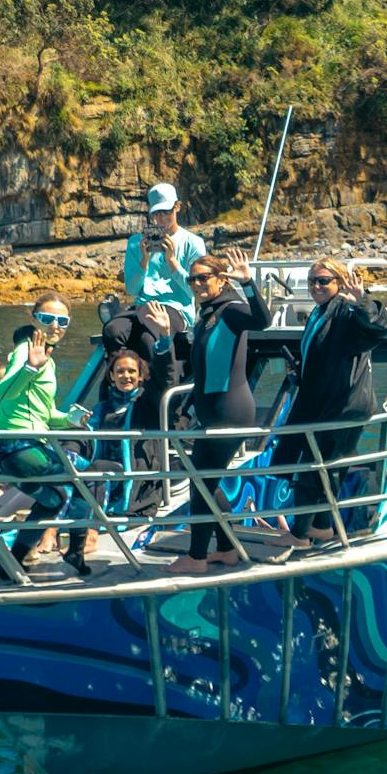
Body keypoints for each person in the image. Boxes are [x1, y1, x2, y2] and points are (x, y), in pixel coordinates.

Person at [269, 259, 387, 550]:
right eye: (312, 281)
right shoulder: (321, 311)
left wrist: (363, 303)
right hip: (322, 401)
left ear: (339, 281)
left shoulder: (347, 310)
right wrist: (300, 369)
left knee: (315, 468)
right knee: (323, 466)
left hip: (342, 406)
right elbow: (324, 354)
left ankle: (299, 535)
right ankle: (322, 527)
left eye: (324, 281)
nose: (316, 286)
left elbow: (376, 331)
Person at [166, 246, 271, 575]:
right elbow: (201, 369)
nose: (197, 283)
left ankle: (197, 557)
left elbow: (263, 321)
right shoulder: (206, 313)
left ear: (221, 280)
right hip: (210, 411)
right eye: (192, 278)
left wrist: (248, 283)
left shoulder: (231, 309)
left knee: (201, 480)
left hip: (230, 411)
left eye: (203, 278)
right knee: (204, 481)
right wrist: (186, 410)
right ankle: (225, 548)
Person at [0, 295, 98, 575]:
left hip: (15, 449)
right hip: (18, 446)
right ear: (33, 319)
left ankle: (13, 561)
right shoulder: (27, 349)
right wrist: (29, 367)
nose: (55, 326)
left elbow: (45, 414)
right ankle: (75, 550)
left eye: (63, 321)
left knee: (54, 499)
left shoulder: (45, 357)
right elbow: (5, 391)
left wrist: (72, 419)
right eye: (47, 319)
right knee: (90, 476)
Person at [85, 303, 183, 515]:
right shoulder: (102, 409)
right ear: (111, 376)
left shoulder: (146, 403)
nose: (125, 376)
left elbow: (167, 379)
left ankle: (89, 531)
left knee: (95, 470)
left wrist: (165, 336)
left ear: (140, 376)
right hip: (104, 480)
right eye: (119, 371)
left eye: (131, 371)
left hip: (137, 485)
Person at [102, 182, 208, 378]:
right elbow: (133, 290)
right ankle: (116, 388)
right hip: (142, 306)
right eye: (155, 214)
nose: (160, 219)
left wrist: (173, 262)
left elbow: (197, 291)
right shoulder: (136, 242)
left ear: (177, 207)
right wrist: (144, 261)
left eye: (165, 212)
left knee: (147, 337)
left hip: (176, 308)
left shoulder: (193, 243)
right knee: (112, 330)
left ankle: (162, 387)